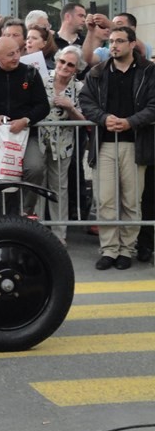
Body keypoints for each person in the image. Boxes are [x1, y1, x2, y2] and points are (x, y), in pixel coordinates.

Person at [79, 26, 155, 270]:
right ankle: (110, 249)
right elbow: (86, 102)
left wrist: (130, 121)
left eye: (120, 41)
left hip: (135, 144)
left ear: (132, 44)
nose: (114, 45)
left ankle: (127, 249)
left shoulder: (148, 71)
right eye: (111, 41)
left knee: (131, 202)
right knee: (106, 200)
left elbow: (154, 105)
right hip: (104, 145)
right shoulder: (98, 72)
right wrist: (103, 118)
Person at [0, 36, 50, 215]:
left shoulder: (30, 73)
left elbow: (43, 106)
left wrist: (26, 120)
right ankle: (3, 215)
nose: (16, 57)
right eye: (9, 55)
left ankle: (27, 210)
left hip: (25, 133)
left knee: (35, 167)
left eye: (17, 52)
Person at [39, 46, 86, 245]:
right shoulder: (41, 78)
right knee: (37, 186)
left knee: (60, 187)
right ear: (56, 61)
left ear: (77, 69)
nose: (64, 67)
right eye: (62, 62)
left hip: (63, 144)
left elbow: (85, 120)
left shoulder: (79, 88)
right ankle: (37, 230)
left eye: (70, 65)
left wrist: (70, 106)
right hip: (38, 140)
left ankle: (59, 235)